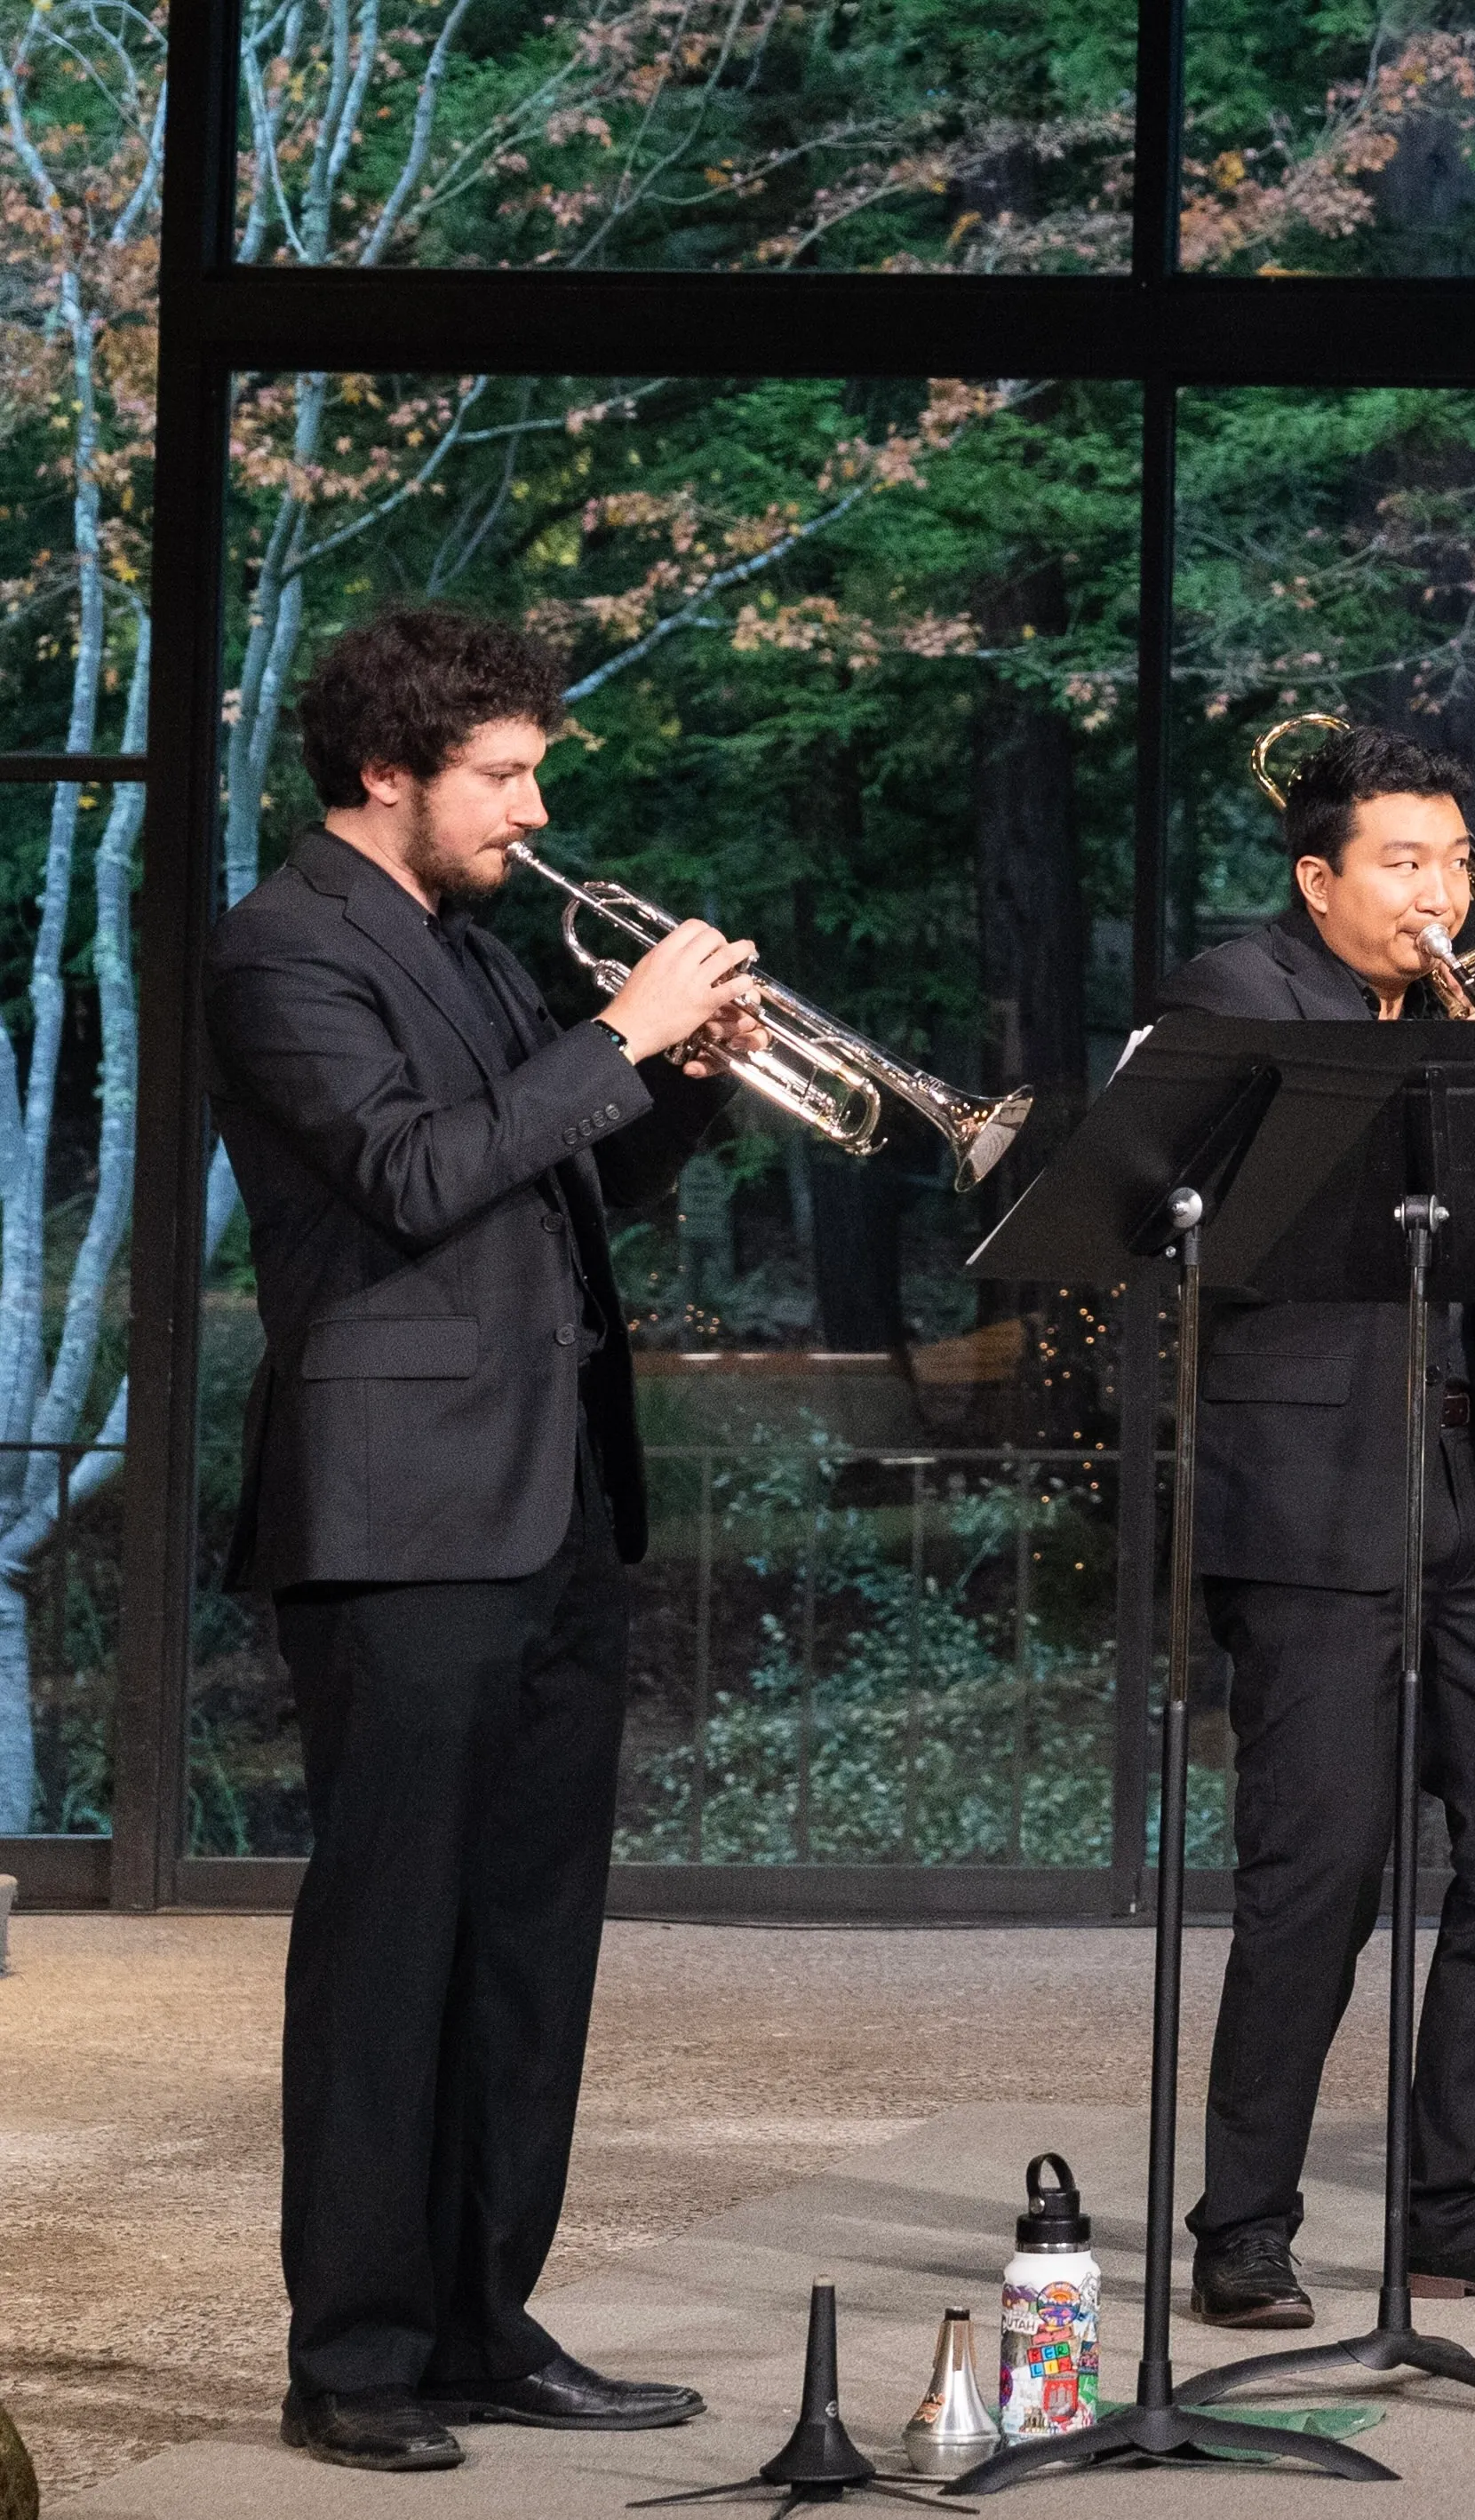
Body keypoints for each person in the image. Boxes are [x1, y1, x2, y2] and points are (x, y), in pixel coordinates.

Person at [217, 606, 763, 2471]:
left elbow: (569, 1176)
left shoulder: (471, 946)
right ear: (391, 772)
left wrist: (675, 1089)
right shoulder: (285, 946)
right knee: (390, 1947)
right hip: (402, 1512)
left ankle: (479, 2316)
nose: (533, 812)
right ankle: (352, 2353)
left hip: (550, 1497)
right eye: (503, 775)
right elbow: (413, 1175)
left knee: (528, 1945)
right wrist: (620, 1026)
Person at [1154, 726, 1475, 2325]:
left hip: (1468, 1486)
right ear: (1320, 878)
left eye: (1455, 861)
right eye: (1403, 864)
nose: (1441, 894)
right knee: (1320, 1875)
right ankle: (1243, 2224)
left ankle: (1458, 2196)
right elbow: (1233, 1233)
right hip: (1308, 1500)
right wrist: (1451, 1074)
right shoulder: (1240, 995)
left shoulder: (1457, 1012)